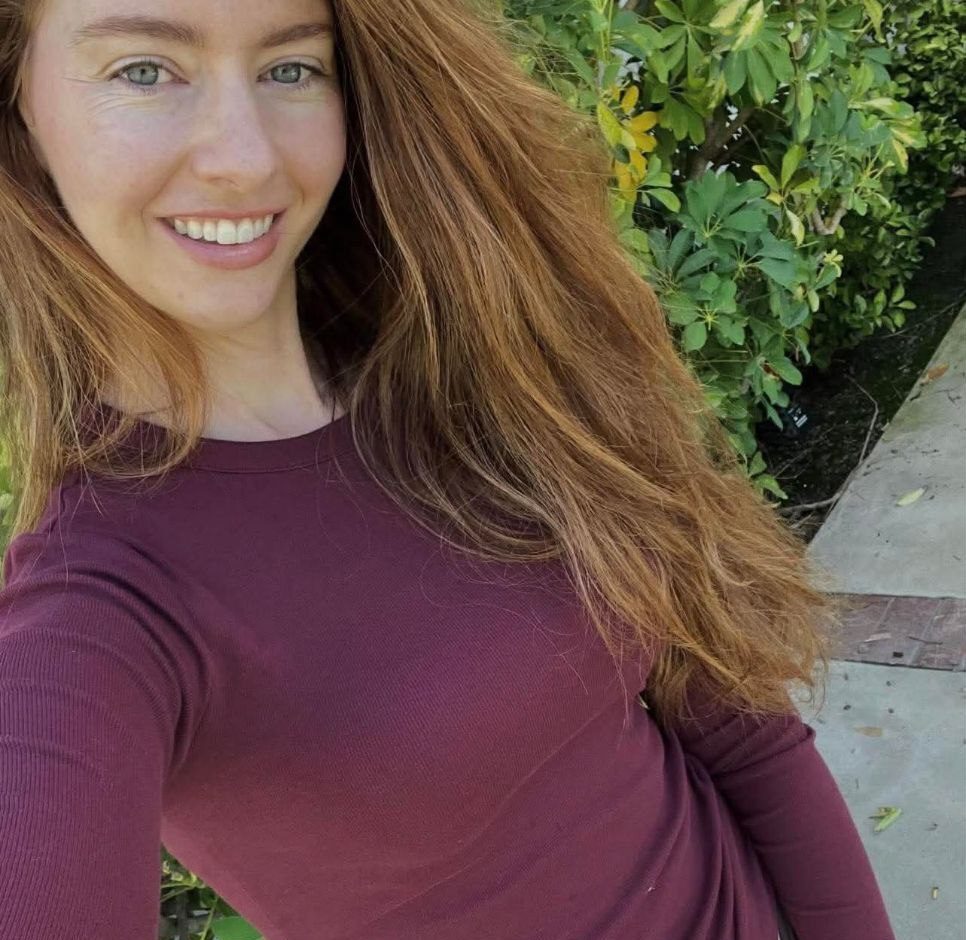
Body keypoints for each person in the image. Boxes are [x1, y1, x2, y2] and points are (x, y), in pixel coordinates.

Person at [0, 1, 895, 938]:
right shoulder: (94, 611)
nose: (247, 159)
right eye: (143, 70)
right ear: (21, 104)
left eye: (291, 68)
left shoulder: (477, 364)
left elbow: (732, 715)